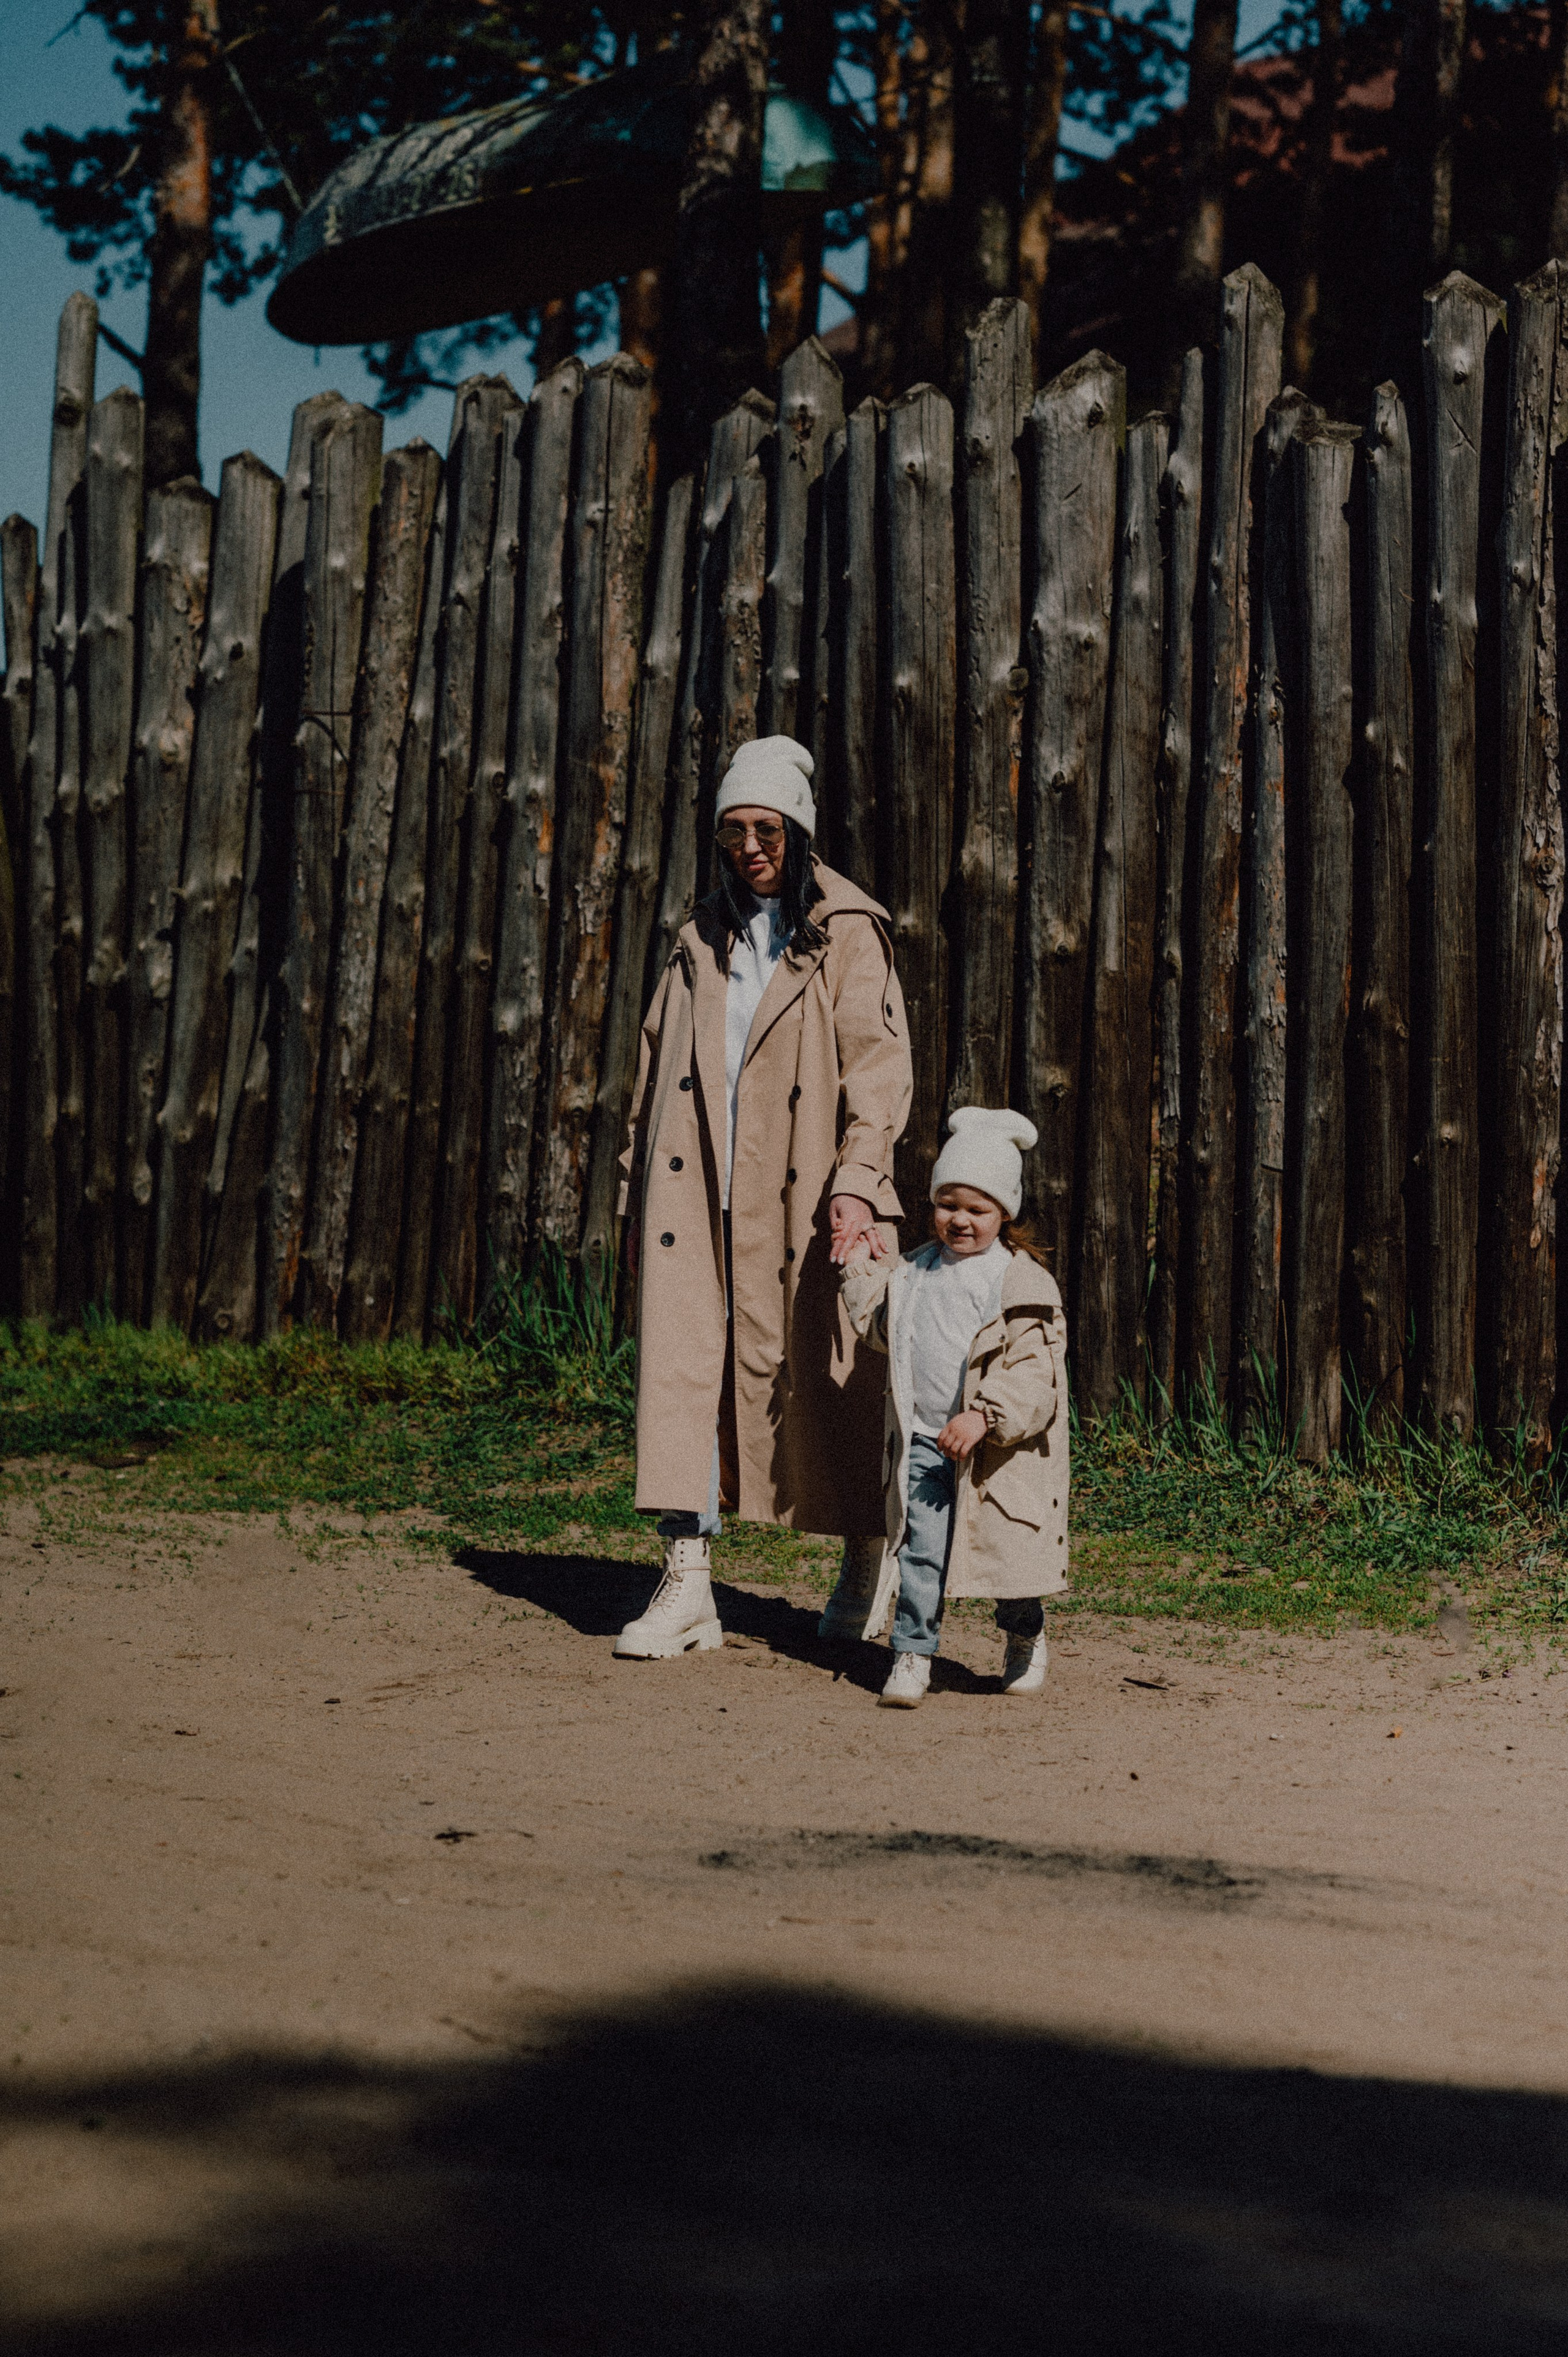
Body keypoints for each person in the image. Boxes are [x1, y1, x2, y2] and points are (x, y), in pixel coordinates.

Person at [614, 735, 913, 1659]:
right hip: (695, 1186)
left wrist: (861, 1184)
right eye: (733, 830)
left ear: (800, 830)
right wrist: (635, 1194)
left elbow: (880, 1069)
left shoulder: (849, 930)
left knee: (838, 1377)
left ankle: (869, 1560)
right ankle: (687, 1582)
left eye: (766, 829)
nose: (750, 847)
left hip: (810, 1183)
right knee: (684, 1374)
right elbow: (650, 1073)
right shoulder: (697, 937)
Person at [840, 1107, 1069, 1708]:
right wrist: (861, 1270)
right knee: (920, 1549)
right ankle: (912, 1651)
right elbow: (881, 1329)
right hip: (924, 1437)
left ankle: (1024, 1632)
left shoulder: (1019, 1285)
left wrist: (987, 1415)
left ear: (1004, 1212)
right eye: (949, 1204)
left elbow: (1034, 1375)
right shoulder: (914, 1271)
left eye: (977, 1209)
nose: (960, 1219)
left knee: (1004, 1558)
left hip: (995, 1451)